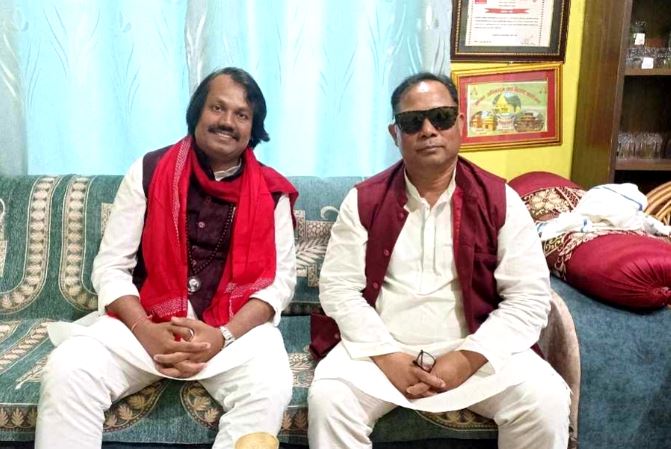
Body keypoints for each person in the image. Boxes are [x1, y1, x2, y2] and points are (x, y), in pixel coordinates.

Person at [35, 67, 298, 449]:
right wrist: (145, 330)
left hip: (229, 334)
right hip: (145, 326)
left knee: (270, 385)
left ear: (253, 128)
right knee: (69, 369)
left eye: (241, 115)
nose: (227, 121)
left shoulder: (272, 192)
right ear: (197, 113)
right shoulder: (149, 169)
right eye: (217, 108)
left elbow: (279, 284)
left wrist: (222, 336)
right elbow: (111, 266)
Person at [307, 72, 570, 449]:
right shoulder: (364, 200)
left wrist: (466, 358)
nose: (428, 130)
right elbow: (339, 290)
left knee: (545, 399)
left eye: (441, 118)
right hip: (380, 352)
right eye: (413, 122)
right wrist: (389, 357)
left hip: (475, 349)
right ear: (395, 133)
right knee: (330, 400)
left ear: (460, 124)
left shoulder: (500, 200)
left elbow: (528, 297)